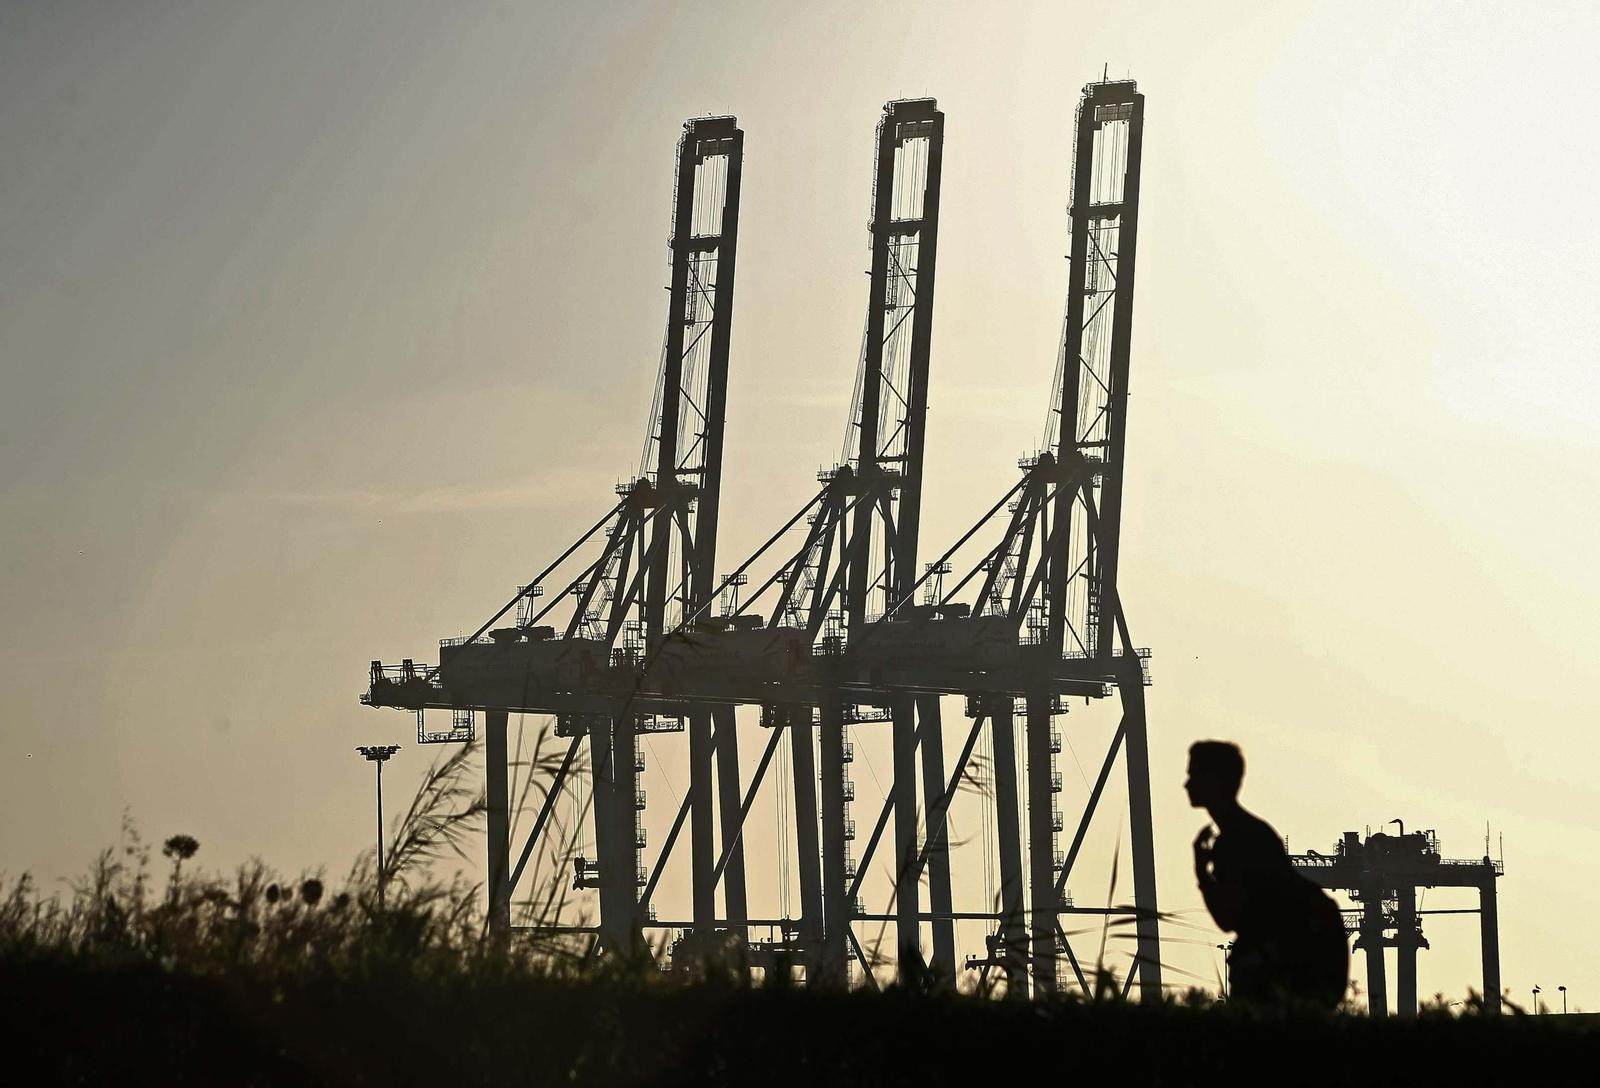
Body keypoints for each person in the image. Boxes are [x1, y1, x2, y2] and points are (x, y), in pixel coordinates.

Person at [1187, 740, 1347, 1007]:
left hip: (1275, 968)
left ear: (1215, 780)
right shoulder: (1252, 831)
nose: (1186, 784)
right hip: (1293, 961)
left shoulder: (1235, 840)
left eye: (1193, 774)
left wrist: (1202, 873)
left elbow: (1228, 919)